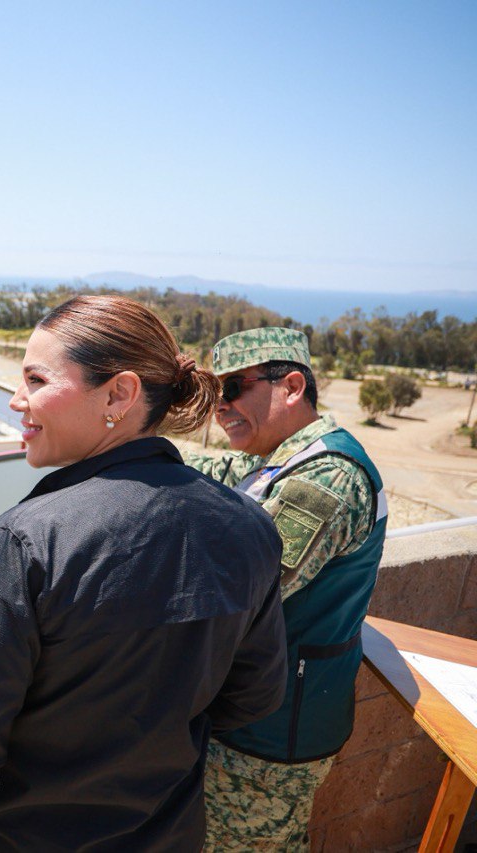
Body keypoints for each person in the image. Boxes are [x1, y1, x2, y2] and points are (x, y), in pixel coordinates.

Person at [0, 295, 288, 852]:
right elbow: (253, 698)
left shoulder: (31, 538)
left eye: (37, 380)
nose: (17, 399)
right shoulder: (249, 525)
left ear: (118, 394)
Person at [187, 328, 387, 851]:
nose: (220, 407)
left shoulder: (327, 479)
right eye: (216, 394)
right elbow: (206, 470)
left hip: (270, 738)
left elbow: (240, 595)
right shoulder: (280, 455)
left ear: (292, 386)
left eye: (233, 389)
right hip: (258, 718)